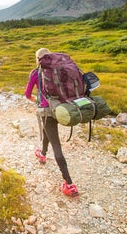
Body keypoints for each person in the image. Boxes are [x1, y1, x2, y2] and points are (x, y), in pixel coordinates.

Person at [25, 48, 79, 197]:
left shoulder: (35, 73)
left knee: (57, 146)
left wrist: (38, 102)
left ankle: (69, 184)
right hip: (62, 109)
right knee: (48, 132)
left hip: (47, 111)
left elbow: (27, 94)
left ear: (37, 59)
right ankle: (42, 153)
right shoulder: (58, 70)